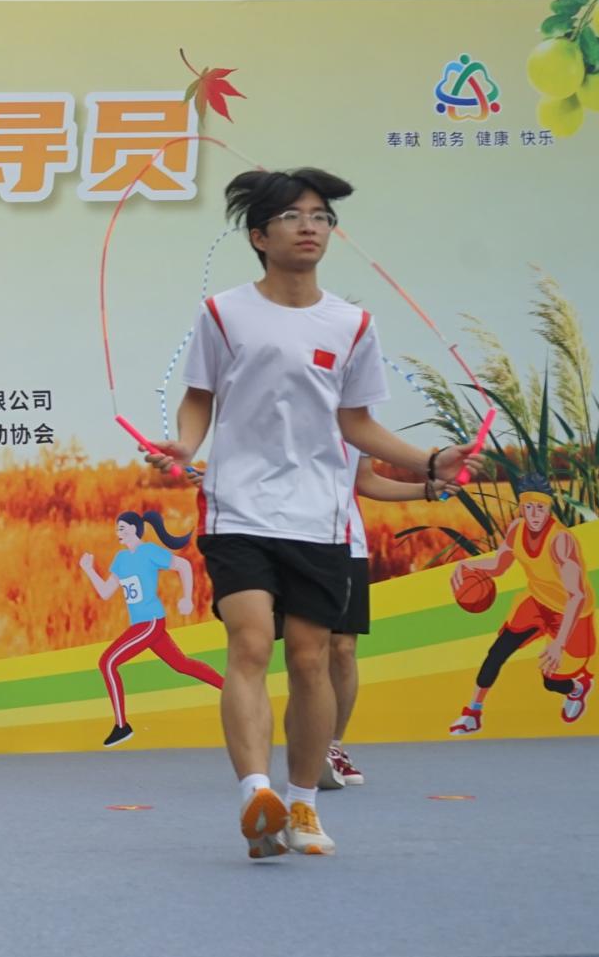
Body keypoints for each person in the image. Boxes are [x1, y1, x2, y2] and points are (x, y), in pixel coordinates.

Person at [152, 168, 472, 860]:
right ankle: (256, 795)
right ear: (259, 237)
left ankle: (302, 804)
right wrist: (185, 444)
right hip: (238, 509)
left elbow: (359, 425)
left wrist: (429, 461)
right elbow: (200, 397)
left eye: (321, 216)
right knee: (249, 644)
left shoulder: (352, 324)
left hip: (319, 518)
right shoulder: (223, 313)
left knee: (310, 659)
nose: (310, 227)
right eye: (293, 217)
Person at [323, 456, 439, 787]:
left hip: (346, 545)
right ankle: (308, 747)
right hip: (287, 540)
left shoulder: (354, 425)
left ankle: (332, 748)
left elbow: (365, 480)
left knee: (343, 648)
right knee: (306, 650)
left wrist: (427, 489)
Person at [446, 476, 595, 735]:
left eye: (540, 507)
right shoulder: (517, 529)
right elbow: (499, 566)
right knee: (497, 652)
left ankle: (577, 688)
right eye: (529, 507)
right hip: (536, 602)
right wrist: (466, 565)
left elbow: (577, 595)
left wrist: (559, 643)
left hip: (572, 612)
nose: (534, 514)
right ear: (522, 508)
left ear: (549, 508)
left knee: (551, 680)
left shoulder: (560, 540)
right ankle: (473, 713)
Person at [78, 509, 220, 748]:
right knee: (181, 664)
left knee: (107, 663)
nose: (117, 533)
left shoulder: (149, 552)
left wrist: (187, 598)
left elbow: (184, 565)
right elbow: (105, 592)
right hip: (141, 624)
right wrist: (89, 569)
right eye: (116, 529)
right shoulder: (121, 559)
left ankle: (122, 726)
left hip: (150, 622)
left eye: (122, 528)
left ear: (134, 529)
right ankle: (230, 689)